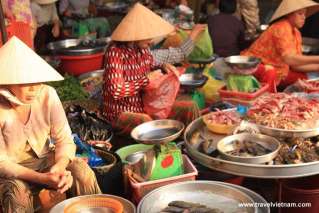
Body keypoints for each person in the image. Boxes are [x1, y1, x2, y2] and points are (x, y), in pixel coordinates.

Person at [0, 36, 101, 213]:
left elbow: (64, 140)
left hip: (46, 160)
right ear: (8, 82)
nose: (34, 89)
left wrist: (59, 166)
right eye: (26, 83)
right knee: (18, 194)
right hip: (13, 172)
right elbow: (2, 163)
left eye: (37, 81)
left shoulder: (47, 94)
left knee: (81, 171)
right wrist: (42, 178)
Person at [102, 3, 205, 135]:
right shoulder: (115, 53)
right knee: (146, 121)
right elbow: (116, 91)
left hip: (144, 106)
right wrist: (145, 80)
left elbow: (158, 60)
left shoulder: (144, 50)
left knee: (189, 106)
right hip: (119, 113)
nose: (151, 40)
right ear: (136, 34)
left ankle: (191, 143)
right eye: (148, 36)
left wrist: (162, 66)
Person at [241, 0, 319, 91]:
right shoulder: (281, 27)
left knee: (304, 78)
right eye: (300, 14)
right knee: (271, 72)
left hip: (279, 68)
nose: (304, 17)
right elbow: (289, 59)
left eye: (304, 14)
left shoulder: (296, 32)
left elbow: (295, 65)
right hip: (255, 66)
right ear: (289, 14)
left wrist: (317, 67)